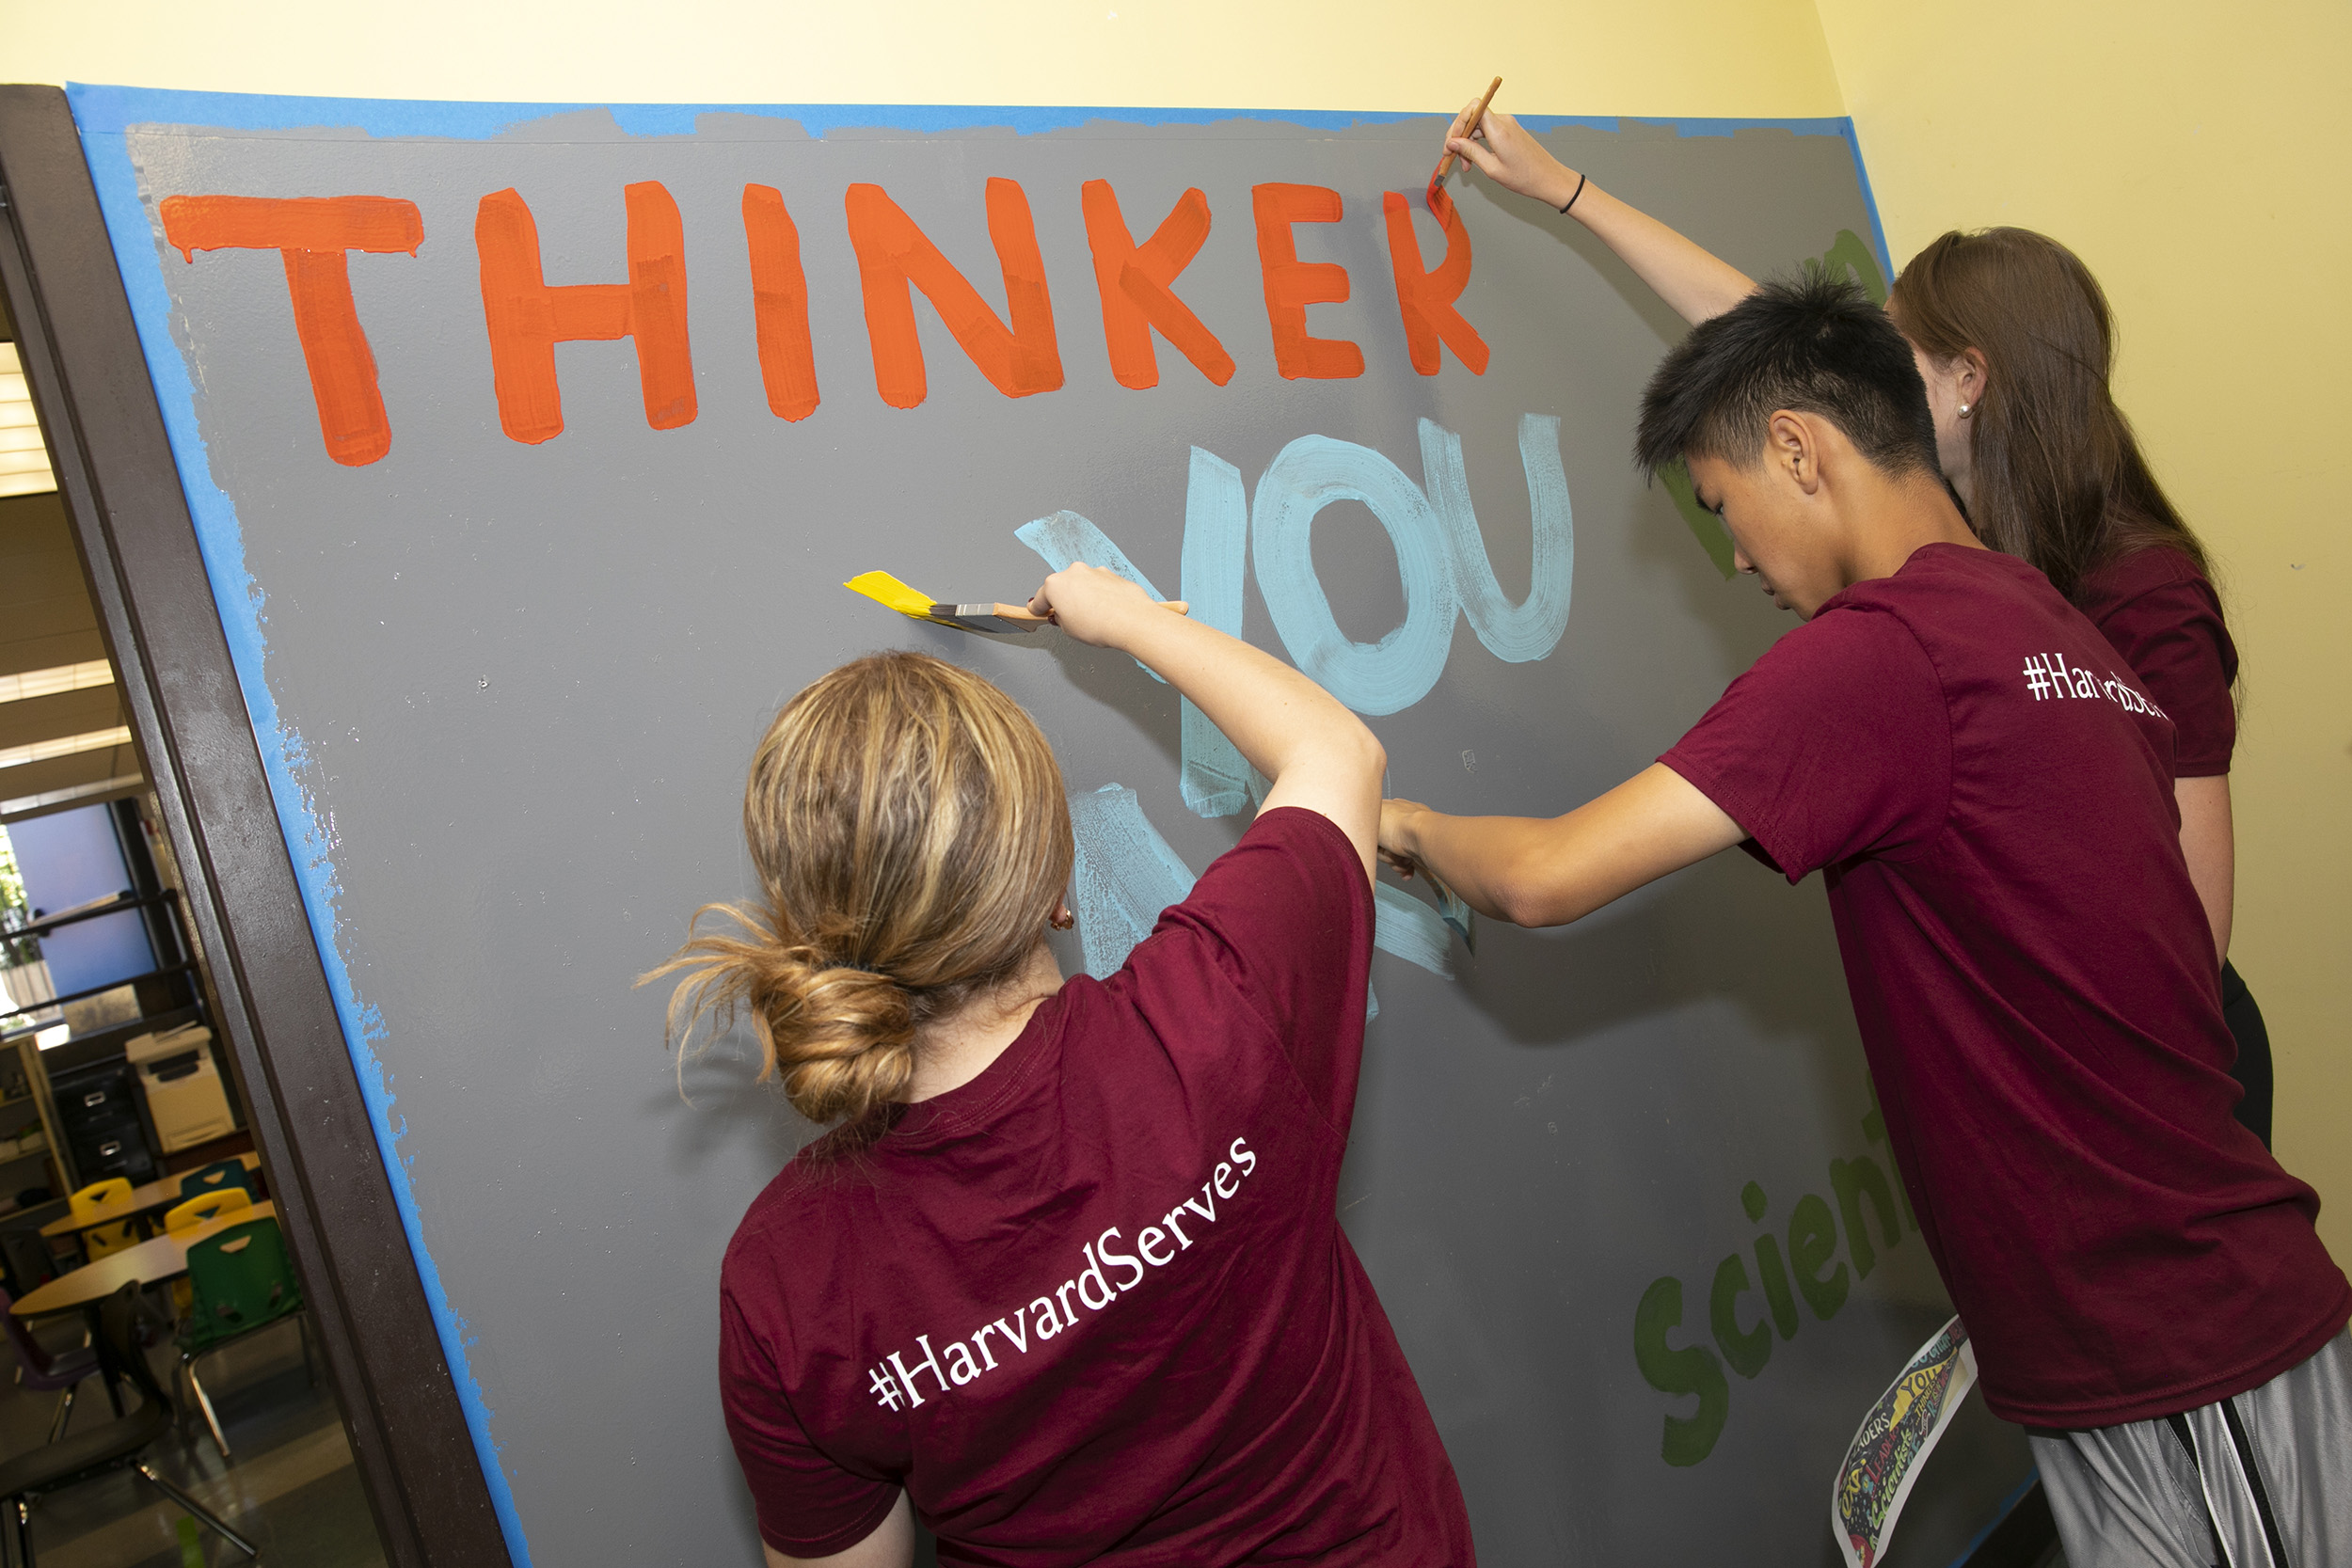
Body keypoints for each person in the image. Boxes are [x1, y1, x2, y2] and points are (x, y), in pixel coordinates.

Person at [1378, 275, 2349, 1568]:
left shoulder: (1877, 658)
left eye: (1725, 507)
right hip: (2138, 1320)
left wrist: (1390, 822)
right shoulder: (2043, 619)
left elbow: (1547, 873)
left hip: (2186, 1338)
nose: (1734, 554)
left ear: (1799, 448)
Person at [1436, 104, 2273, 1144]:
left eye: (1897, 349)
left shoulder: (2123, 592)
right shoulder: (1955, 543)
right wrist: (1569, 192)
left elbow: (2186, 933)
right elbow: (1774, 358)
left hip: (2154, 1075)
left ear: (1966, 382)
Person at [648, 573, 1475, 1568]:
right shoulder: (1213, 1013)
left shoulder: (787, 1277)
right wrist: (1125, 620)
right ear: (1052, 884)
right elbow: (1338, 750)